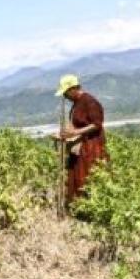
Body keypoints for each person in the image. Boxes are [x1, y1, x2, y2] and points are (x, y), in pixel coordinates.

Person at [53, 74, 109, 204]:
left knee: (89, 176)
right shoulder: (77, 103)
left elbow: (97, 124)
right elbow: (78, 123)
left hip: (92, 146)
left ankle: (92, 206)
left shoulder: (90, 102)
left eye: (66, 93)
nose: (65, 97)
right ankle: (79, 206)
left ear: (73, 89)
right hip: (81, 145)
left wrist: (75, 133)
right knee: (77, 176)